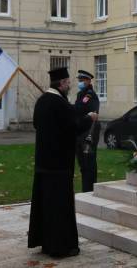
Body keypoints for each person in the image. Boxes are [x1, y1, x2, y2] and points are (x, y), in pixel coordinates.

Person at [28, 67, 98, 258]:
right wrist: (89, 118)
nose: (70, 86)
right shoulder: (59, 103)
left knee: (46, 205)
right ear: (61, 84)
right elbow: (74, 126)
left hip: (43, 162)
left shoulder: (42, 101)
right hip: (59, 164)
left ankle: (44, 242)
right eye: (68, 83)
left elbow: (36, 124)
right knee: (59, 207)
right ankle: (60, 246)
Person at [74, 69, 100, 193]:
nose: (80, 82)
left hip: (88, 133)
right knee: (83, 165)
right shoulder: (81, 94)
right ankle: (86, 190)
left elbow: (91, 115)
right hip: (80, 132)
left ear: (88, 81)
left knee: (89, 164)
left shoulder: (89, 95)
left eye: (82, 80)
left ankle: (90, 190)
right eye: (79, 80)